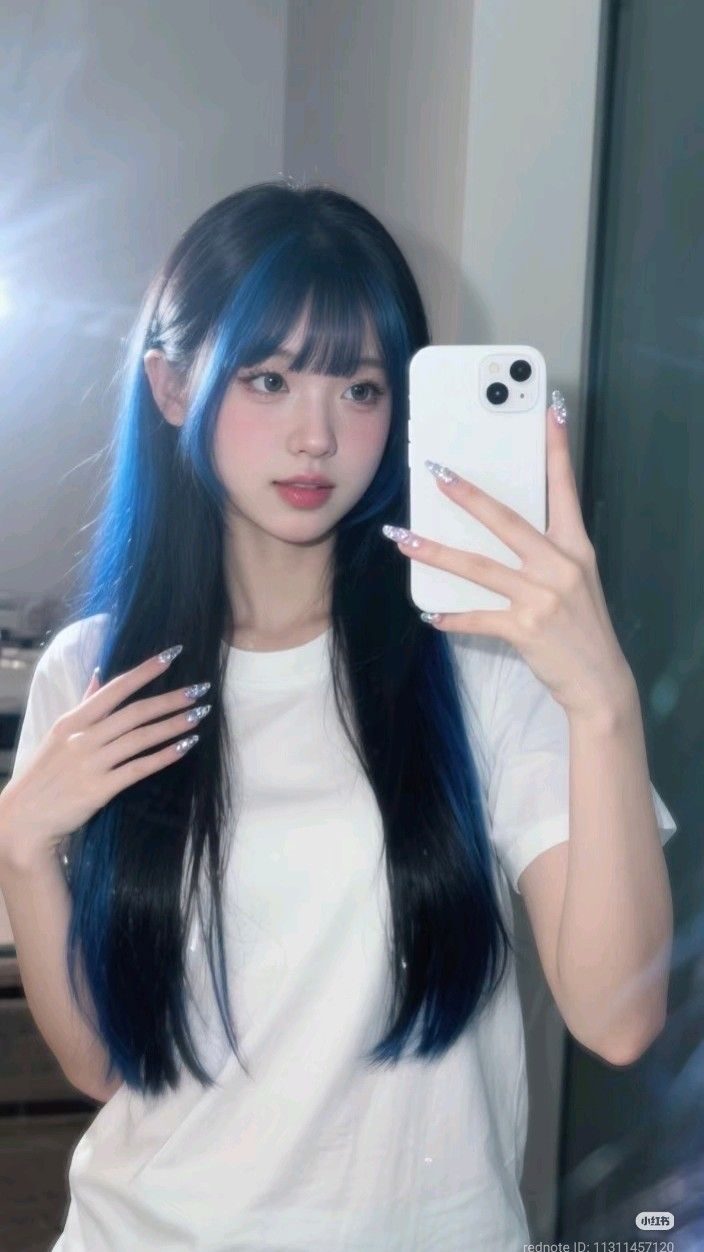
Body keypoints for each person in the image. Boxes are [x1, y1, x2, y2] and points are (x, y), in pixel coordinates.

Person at [0, 179, 677, 1251]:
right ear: (172, 386)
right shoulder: (91, 673)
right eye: (268, 378)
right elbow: (104, 1069)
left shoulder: (481, 660)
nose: (316, 436)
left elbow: (619, 1017)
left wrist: (601, 701)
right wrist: (20, 846)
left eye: (360, 388)